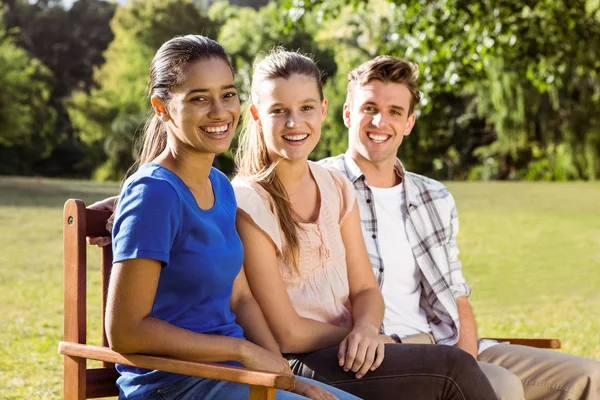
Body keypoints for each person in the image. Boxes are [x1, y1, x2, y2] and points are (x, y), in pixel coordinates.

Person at [319, 55, 600, 400]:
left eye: (395, 112)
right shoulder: (321, 185)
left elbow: (456, 293)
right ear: (348, 113)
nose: (380, 121)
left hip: (449, 343)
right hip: (382, 354)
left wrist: (465, 361)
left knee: (590, 378)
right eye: (369, 108)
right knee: (502, 387)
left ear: (409, 122)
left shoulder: (434, 196)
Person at [232, 48, 497, 400]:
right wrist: (357, 335)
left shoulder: (336, 187)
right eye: (279, 111)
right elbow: (286, 333)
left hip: (352, 349)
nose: (295, 123)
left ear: (323, 110)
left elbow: (366, 290)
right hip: (300, 361)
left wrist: (368, 327)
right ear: (255, 115)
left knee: (454, 366)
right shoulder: (248, 200)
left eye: (306, 108)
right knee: (453, 369)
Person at [105, 34, 360, 400]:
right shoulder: (154, 194)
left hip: (236, 377)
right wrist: (241, 351)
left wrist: (285, 376)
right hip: (175, 386)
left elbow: (240, 299)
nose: (220, 111)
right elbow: (126, 331)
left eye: (227, 94)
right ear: (161, 108)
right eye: (199, 98)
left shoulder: (220, 187)